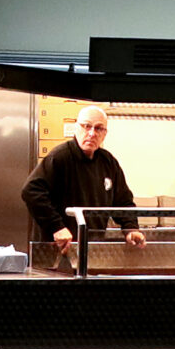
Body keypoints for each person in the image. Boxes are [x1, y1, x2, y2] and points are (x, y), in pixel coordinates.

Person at [23, 106, 149, 267]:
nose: (91, 133)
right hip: (56, 253)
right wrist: (57, 227)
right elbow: (31, 191)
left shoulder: (108, 162)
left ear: (104, 134)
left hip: (91, 252)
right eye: (86, 126)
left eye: (98, 128)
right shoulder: (60, 158)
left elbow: (123, 201)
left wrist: (131, 228)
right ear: (76, 128)